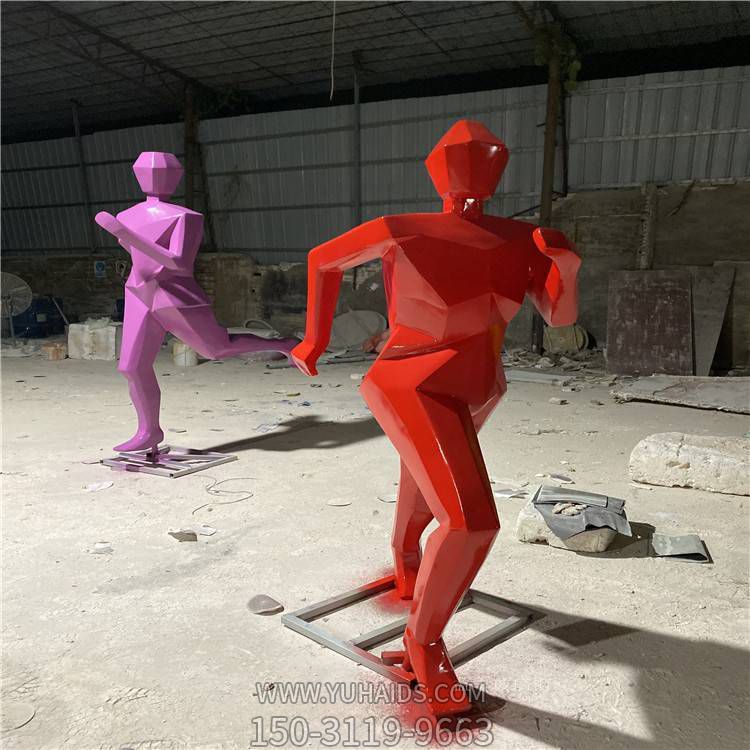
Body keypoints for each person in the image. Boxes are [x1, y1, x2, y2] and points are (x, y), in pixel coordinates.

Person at [291, 120, 581, 714]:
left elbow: (558, 318)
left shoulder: (525, 240)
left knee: (428, 482)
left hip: (480, 386)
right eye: (462, 159)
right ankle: (422, 643)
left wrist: (566, 267)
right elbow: (323, 260)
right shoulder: (404, 229)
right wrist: (313, 338)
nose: (472, 170)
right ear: (437, 168)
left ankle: (407, 562)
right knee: (470, 520)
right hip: (413, 381)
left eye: (485, 159)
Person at [95, 152, 296, 452]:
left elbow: (179, 263)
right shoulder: (126, 216)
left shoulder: (185, 217)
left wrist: (128, 236)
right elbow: (136, 254)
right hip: (138, 291)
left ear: (175, 177)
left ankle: (284, 344)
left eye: (162, 172)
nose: (154, 177)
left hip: (175, 293)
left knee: (216, 349)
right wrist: (126, 237)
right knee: (131, 366)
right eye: (146, 171)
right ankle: (149, 431)